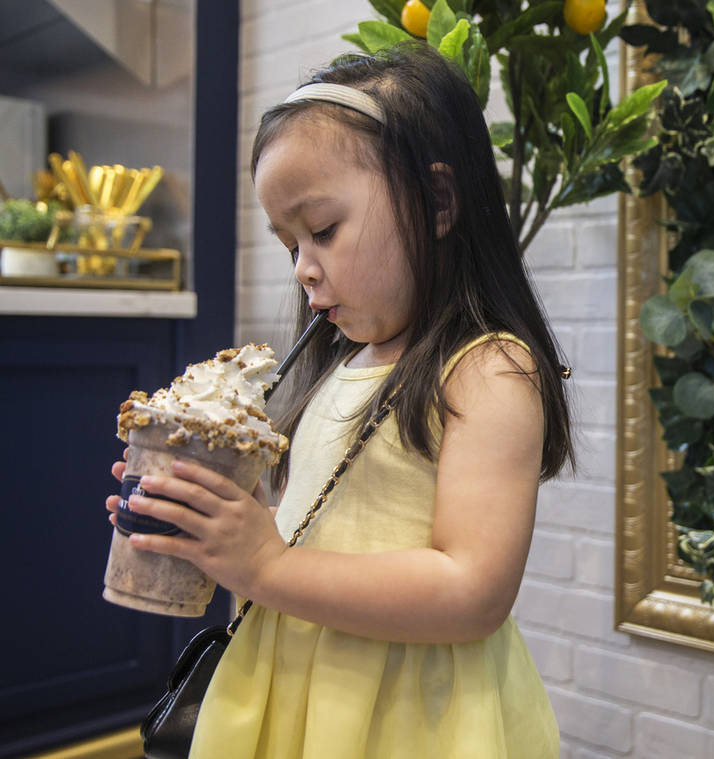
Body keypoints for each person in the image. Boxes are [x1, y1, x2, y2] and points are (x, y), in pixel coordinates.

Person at [106, 41, 573, 758]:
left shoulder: (487, 370)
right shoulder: (340, 365)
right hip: (294, 683)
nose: (304, 269)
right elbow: (317, 528)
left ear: (439, 201)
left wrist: (268, 566)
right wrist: (217, 522)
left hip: (403, 713)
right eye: (290, 243)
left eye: (322, 230)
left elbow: (474, 590)